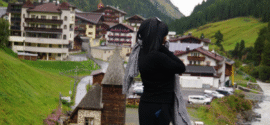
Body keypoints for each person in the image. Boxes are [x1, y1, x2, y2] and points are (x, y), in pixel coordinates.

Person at [136, 17, 186, 125]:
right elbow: (181, 67)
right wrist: (162, 48)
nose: (166, 38)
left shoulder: (142, 53)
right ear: (158, 36)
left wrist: (158, 47)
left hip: (146, 105)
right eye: (164, 34)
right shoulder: (158, 57)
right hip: (159, 107)